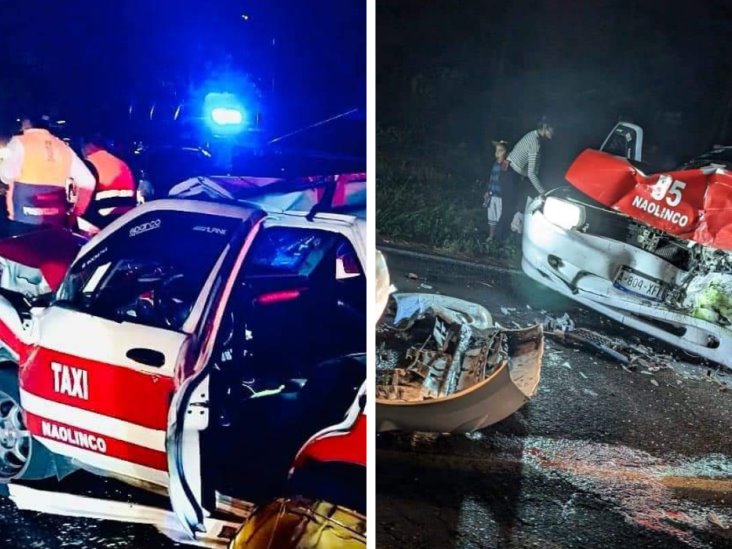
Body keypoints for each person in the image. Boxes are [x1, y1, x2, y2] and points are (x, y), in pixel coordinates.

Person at [0, 115, 95, 234]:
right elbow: (88, 181)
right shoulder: (63, 147)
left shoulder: (19, 142)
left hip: (23, 219)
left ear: (27, 123)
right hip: (56, 221)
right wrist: (76, 212)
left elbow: (6, 175)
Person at [506, 116, 555, 233]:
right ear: (545, 128)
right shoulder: (535, 144)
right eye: (552, 129)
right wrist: (543, 192)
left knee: (512, 204)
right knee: (510, 206)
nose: (554, 132)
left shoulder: (532, 135)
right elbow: (531, 173)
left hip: (510, 171)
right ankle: (504, 236)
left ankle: (508, 234)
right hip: (512, 174)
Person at [81, 136, 137, 228]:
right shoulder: (122, 163)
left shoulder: (89, 164)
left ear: (89, 146)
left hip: (101, 223)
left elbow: (83, 201)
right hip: (125, 220)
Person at [483, 140, 510, 241]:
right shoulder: (495, 164)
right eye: (497, 150)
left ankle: (500, 238)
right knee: (491, 216)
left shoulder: (505, 164)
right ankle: (491, 236)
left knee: (500, 217)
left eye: (501, 150)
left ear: (506, 152)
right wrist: (488, 191)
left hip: (500, 196)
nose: (497, 152)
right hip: (492, 194)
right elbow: (491, 178)